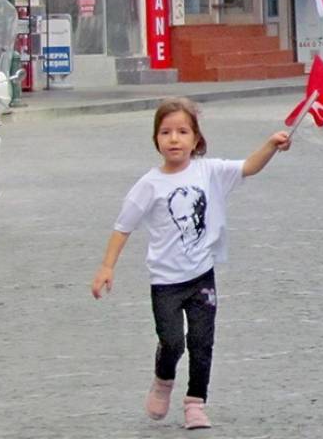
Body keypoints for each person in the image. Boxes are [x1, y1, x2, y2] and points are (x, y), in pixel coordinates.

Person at [90, 98, 290, 430]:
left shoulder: (209, 171)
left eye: (183, 131)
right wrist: (107, 267)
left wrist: (271, 144)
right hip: (165, 281)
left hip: (201, 277)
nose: (174, 139)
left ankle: (196, 402)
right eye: (166, 132)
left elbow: (248, 167)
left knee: (201, 342)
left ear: (196, 139)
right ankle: (163, 379)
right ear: (156, 139)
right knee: (172, 342)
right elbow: (123, 226)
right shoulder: (149, 184)